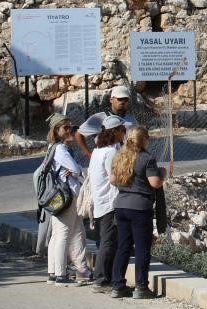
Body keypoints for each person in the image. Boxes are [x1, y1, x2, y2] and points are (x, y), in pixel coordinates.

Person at [109, 126, 167, 299]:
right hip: (140, 207)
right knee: (142, 248)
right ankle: (141, 287)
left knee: (123, 247)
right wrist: (162, 174)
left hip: (121, 206)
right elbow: (155, 183)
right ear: (144, 140)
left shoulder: (120, 156)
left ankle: (117, 285)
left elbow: (112, 180)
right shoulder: (147, 158)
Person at [44, 113, 92, 286]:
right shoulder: (61, 149)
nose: (70, 130)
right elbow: (75, 169)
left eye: (71, 127)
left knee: (61, 233)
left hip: (61, 197)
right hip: (68, 195)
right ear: (56, 130)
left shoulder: (52, 148)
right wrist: (78, 169)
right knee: (63, 234)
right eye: (66, 128)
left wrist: (75, 170)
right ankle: (61, 275)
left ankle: (55, 272)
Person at [88, 114, 126, 292]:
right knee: (108, 242)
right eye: (122, 130)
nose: (124, 133)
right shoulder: (110, 152)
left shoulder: (97, 150)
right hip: (110, 202)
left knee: (107, 241)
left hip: (101, 201)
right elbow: (114, 177)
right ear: (115, 131)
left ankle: (106, 277)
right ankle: (101, 280)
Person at [74, 85, 137, 161]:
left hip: (125, 160)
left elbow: (136, 138)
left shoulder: (131, 119)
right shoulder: (99, 118)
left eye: (126, 99)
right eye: (120, 99)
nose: (123, 102)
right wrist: (88, 154)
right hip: (104, 160)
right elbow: (78, 134)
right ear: (111, 100)